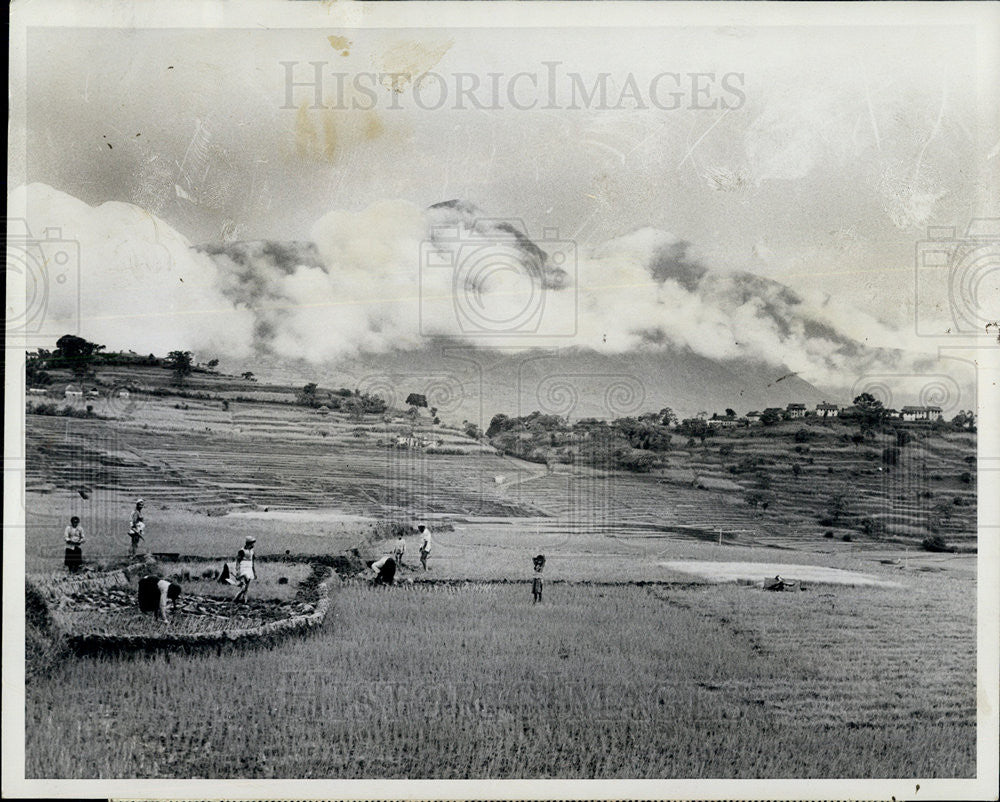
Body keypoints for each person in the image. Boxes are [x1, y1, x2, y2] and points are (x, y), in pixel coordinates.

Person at [233, 536, 256, 603]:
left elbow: (253, 562)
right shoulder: (242, 551)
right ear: (249, 543)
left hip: (249, 568)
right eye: (252, 543)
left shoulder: (252, 551)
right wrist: (237, 570)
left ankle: (244, 600)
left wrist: (254, 572)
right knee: (244, 586)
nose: (253, 545)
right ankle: (236, 598)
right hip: (243, 568)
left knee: (246, 586)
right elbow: (238, 560)